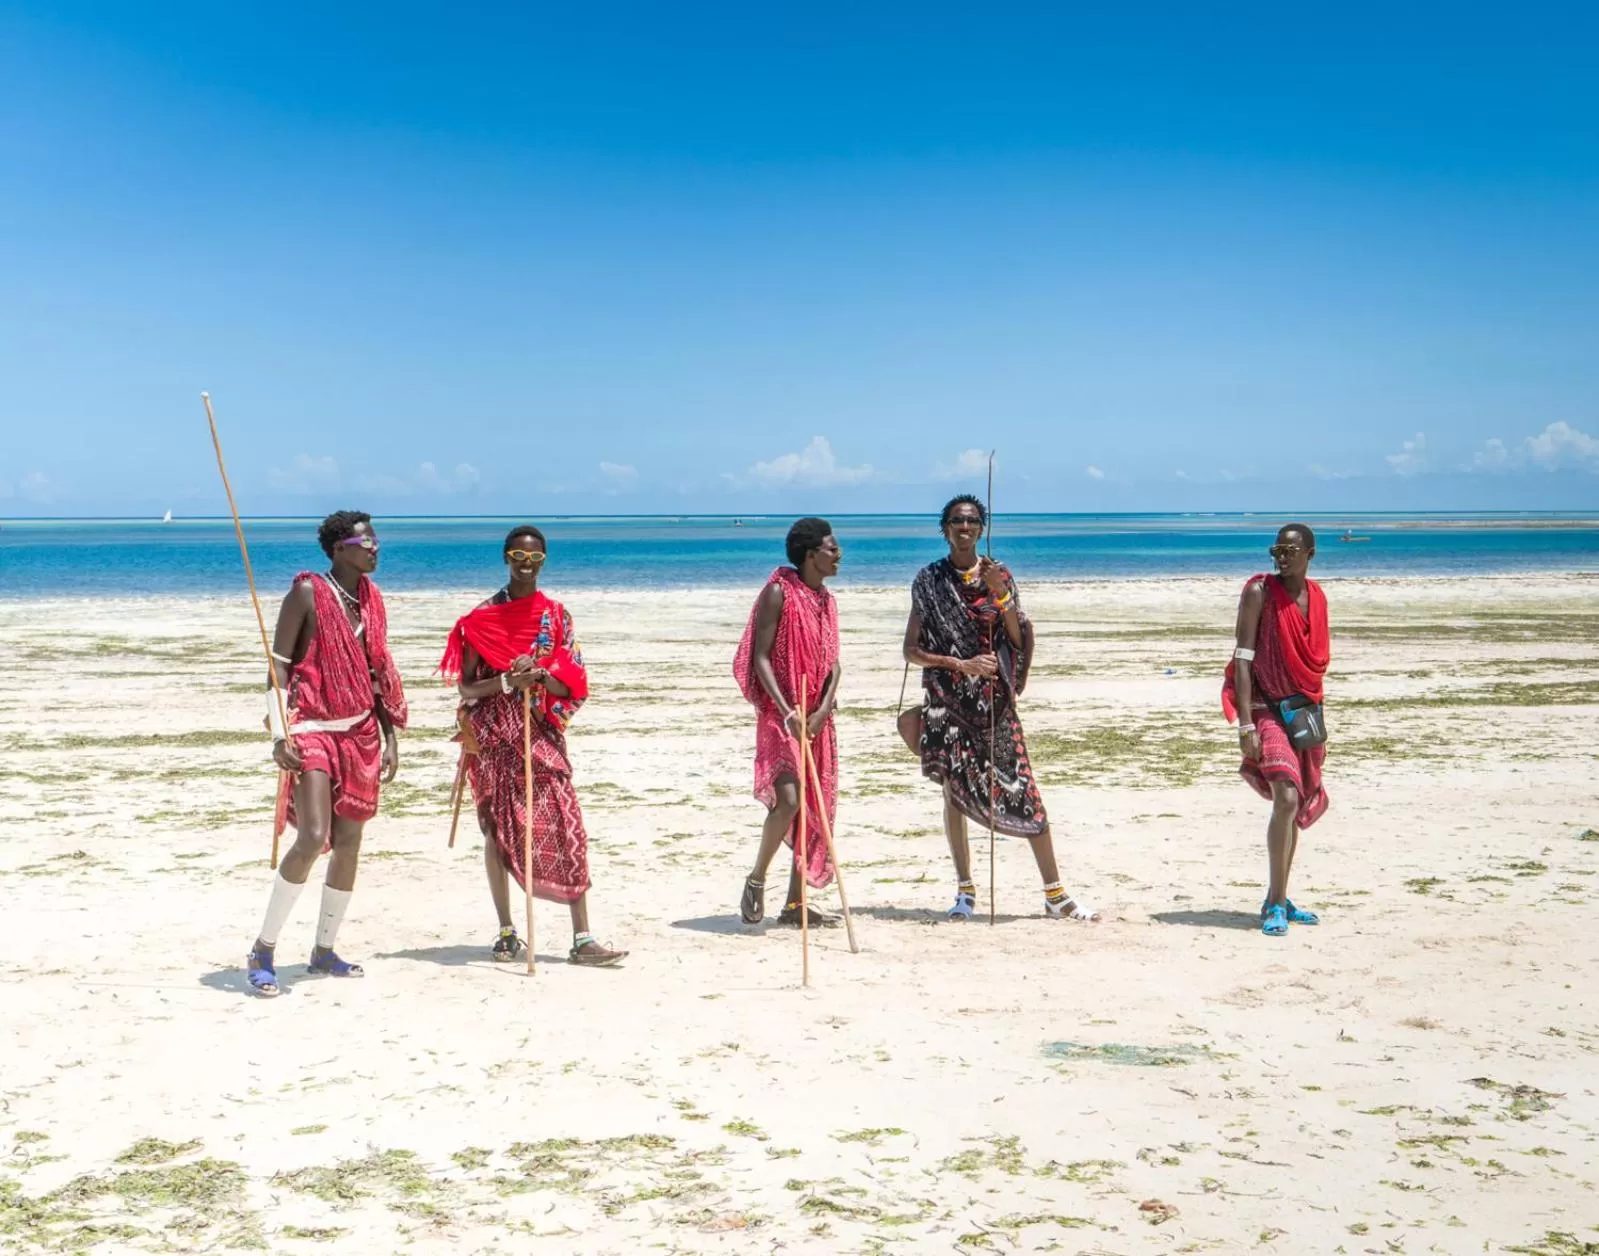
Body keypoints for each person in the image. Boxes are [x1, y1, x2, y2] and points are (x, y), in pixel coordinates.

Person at [902, 495, 1097, 922]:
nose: (964, 527)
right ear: (945, 528)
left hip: (993, 705)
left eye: (971, 520)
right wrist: (960, 663)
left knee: (1022, 789)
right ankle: (966, 892)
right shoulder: (928, 580)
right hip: (945, 703)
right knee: (954, 796)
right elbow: (911, 649)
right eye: (956, 520)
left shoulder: (1000, 574)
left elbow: (1016, 635)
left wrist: (1000, 595)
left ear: (981, 527)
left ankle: (1055, 893)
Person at [439, 527, 626, 967]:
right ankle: (507, 932)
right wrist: (507, 680)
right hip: (493, 738)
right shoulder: (480, 618)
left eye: (535, 556)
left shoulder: (557, 618)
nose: (526, 563)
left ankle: (582, 937)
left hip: (541, 733)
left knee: (564, 819)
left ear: (544, 560)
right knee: (496, 829)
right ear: (505, 558)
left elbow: (574, 682)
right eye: (517, 555)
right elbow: (467, 685)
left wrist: (539, 675)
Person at [246, 511, 408, 997]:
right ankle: (264, 949)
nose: (374, 547)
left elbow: (376, 672)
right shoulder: (307, 593)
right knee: (314, 835)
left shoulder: (371, 600)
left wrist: (390, 737)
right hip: (312, 727)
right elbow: (277, 669)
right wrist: (279, 735)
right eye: (365, 540)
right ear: (339, 547)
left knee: (350, 840)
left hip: (359, 730)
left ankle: (324, 950)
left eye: (376, 539)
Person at [732, 518, 843, 926]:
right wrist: (787, 710)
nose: (838, 555)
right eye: (831, 549)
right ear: (810, 554)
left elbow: (834, 666)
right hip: (782, 716)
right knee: (790, 802)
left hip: (816, 719)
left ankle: (795, 904)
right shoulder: (778, 592)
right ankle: (757, 878)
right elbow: (759, 656)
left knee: (814, 806)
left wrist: (821, 711)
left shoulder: (827, 601)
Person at [1222, 523, 1331, 937]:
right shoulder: (1259, 592)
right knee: (1285, 795)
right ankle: (1274, 905)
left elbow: (1315, 659)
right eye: (1276, 550)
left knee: (1297, 801)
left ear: (1310, 554)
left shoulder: (1317, 597)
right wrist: (1246, 721)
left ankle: (1278, 898)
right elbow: (1244, 658)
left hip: (1303, 709)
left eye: (1290, 551)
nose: (1281, 557)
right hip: (1265, 707)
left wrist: (1316, 716)